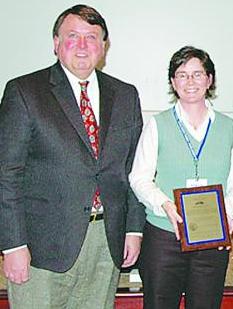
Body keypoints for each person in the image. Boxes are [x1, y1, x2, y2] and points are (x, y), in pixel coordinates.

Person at [0, 4, 145, 309]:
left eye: (92, 37)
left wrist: (133, 229)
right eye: (72, 36)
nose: (82, 45)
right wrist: (13, 245)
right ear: (55, 43)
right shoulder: (25, 91)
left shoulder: (126, 95)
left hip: (106, 241)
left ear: (103, 46)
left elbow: (134, 170)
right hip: (41, 247)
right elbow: (6, 174)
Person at [129, 45, 233, 309]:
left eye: (198, 74)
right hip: (164, 235)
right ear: (173, 82)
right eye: (182, 74)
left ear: (209, 80)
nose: (190, 81)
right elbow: (139, 177)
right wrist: (164, 204)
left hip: (212, 237)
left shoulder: (228, 127)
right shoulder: (157, 124)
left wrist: (227, 218)